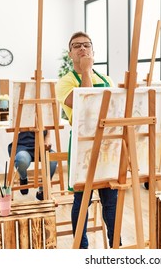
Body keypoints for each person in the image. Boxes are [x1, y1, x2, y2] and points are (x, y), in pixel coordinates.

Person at [55, 31, 120, 249]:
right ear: (70, 53)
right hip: (82, 147)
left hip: (107, 146)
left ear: (93, 50)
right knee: (81, 201)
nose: (82, 49)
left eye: (86, 45)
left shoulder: (107, 79)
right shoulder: (64, 82)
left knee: (111, 201)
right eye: (77, 46)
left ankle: (117, 247)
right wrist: (85, 72)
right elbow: (86, 103)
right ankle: (81, 249)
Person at [8, 130, 57, 200]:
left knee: (53, 159)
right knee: (21, 160)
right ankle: (23, 178)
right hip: (23, 146)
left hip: (41, 145)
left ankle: (42, 190)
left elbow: (48, 125)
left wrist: (47, 139)